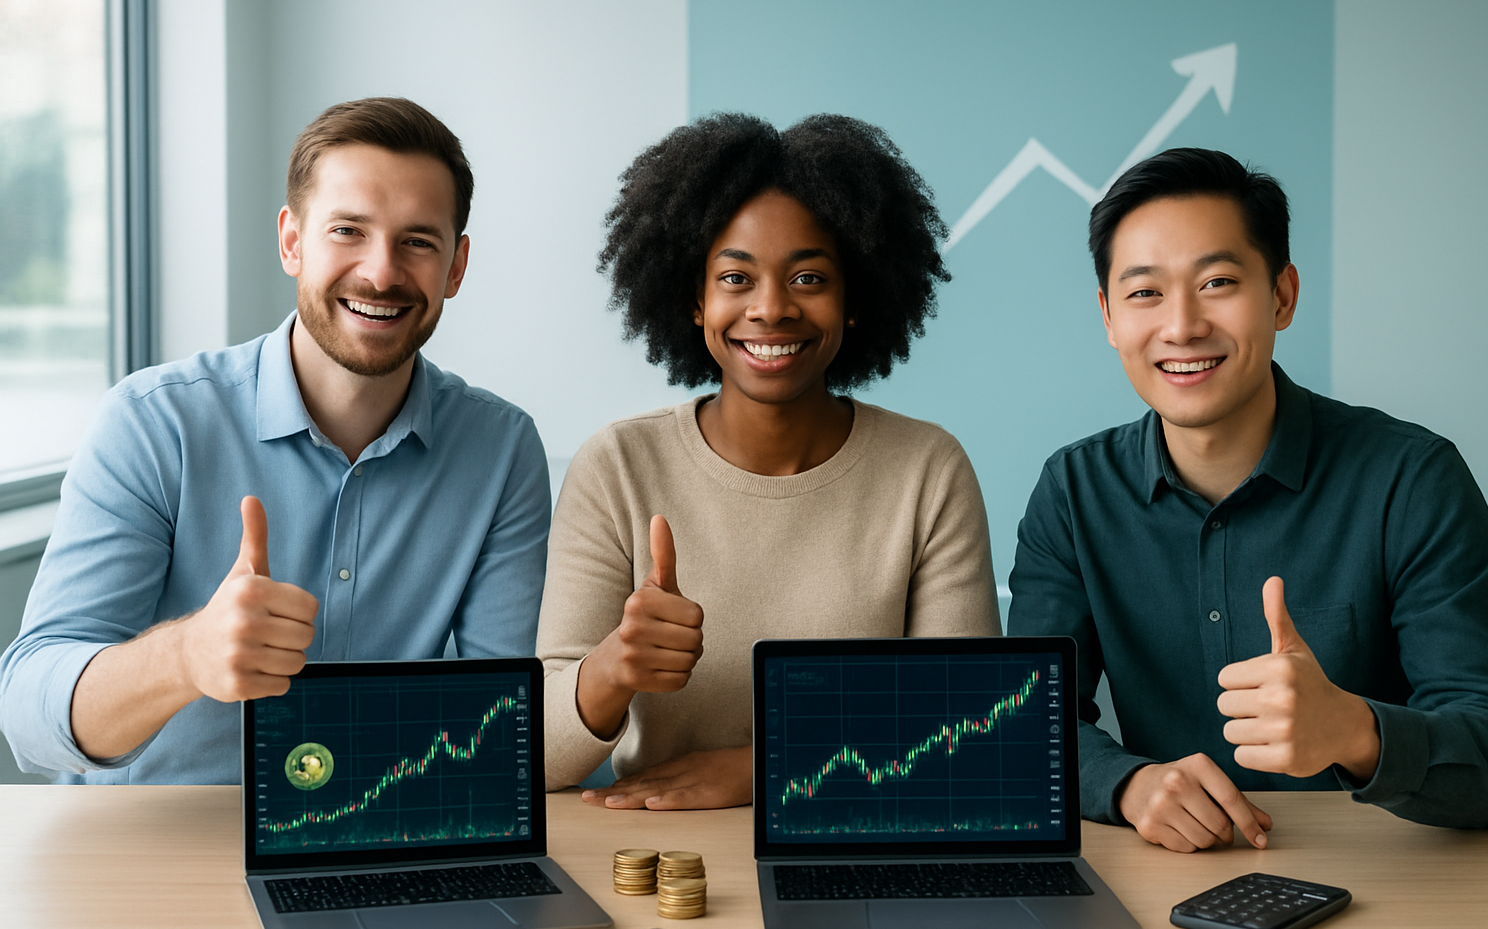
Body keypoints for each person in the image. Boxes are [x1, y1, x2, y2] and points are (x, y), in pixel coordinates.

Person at [0, 97, 550, 783]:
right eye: (348, 230)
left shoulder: (502, 451)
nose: (381, 272)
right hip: (160, 847)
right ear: (292, 241)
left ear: (456, 268)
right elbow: (27, 712)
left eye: (417, 241)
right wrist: (186, 657)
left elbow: (497, 723)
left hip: (374, 836)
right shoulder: (151, 423)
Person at [1008, 147, 1488, 851]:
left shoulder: (1412, 479)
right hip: (1173, 888)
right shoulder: (1074, 493)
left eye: (1218, 281)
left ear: (1282, 296)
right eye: (1145, 293)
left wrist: (1354, 731)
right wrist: (1127, 784)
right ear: (1108, 316)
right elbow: (1028, 723)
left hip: (1392, 891)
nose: (1183, 326)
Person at [540, 113, 1000, 809]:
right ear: (695, 300)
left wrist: (764, 769)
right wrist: (613, 666)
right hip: (665, 851)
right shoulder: (618, 466)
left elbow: (969, 731)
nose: (771, 309)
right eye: (735, 278)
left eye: (809, 277)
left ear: (855, 301)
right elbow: (535, 759)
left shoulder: (926, 470)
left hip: (859, 840)